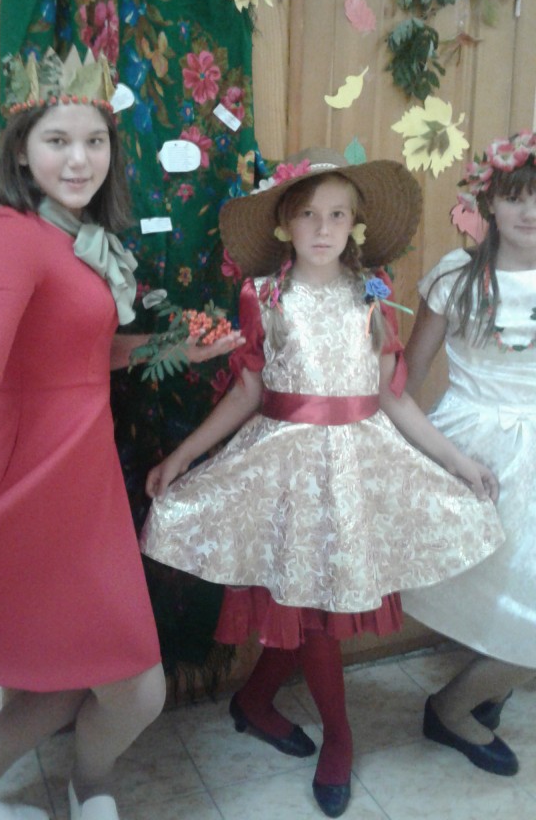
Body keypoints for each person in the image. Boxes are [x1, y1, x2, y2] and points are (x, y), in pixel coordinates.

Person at [139, 148, 504, 818]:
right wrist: (185, 456)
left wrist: (456, 461)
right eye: (308, 214)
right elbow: (249, 391)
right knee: (313, 613)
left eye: (337, 214)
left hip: (354, 470)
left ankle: (255, 701)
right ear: (284, 222)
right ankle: (340, 738)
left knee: (314, 609)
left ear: (355, 223)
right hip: (287, 473)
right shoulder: (264, 295)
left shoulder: (372, 291)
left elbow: (390, 396)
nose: (323, 227)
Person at [0, 51, 243, 820]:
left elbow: (81, 353)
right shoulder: (8, 232)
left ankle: (63, 788)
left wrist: (173, 348)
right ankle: (37, 788)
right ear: (22, 150)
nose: (80, 159)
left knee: (81, 677)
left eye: (94, 141)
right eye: (57, 140)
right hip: (34, 491)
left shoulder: (72, 237)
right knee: (133, 685)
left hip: (82, 486)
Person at [402, 130, 536, 778]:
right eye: (514, 196)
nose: (529, 211)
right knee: (503, 594)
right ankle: (454, 708)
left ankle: (478, 691)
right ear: (489, 202)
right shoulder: (457, 277)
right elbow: (403, 380)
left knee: (523, 602)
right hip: (471, 447)